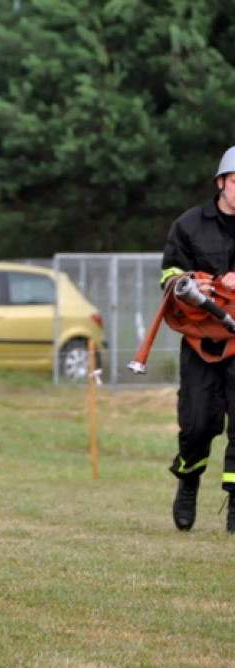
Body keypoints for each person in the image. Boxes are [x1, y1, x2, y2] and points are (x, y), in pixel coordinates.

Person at [162, 145, 235, 535]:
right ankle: (188, 483)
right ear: (221, 183)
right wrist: (198, 284)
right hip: (201, 342)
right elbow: (169, 276)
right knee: (196, 423)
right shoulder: (189, 225)